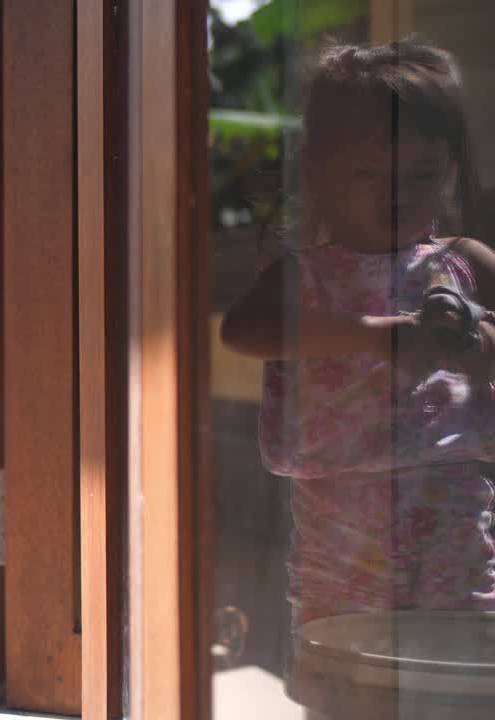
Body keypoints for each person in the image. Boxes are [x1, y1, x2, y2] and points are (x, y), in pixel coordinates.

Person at [221, 39, 495, 629]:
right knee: (346, 672)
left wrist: (476, 343)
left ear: (449, 170)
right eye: (370, 173)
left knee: (451, 669)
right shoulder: (304, 275)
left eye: (420, 174)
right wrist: (375, 335)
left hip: (451, 514)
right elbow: (242, 330)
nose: (395, 193)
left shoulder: (465, 263)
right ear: (319, 172)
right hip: (336, 528)